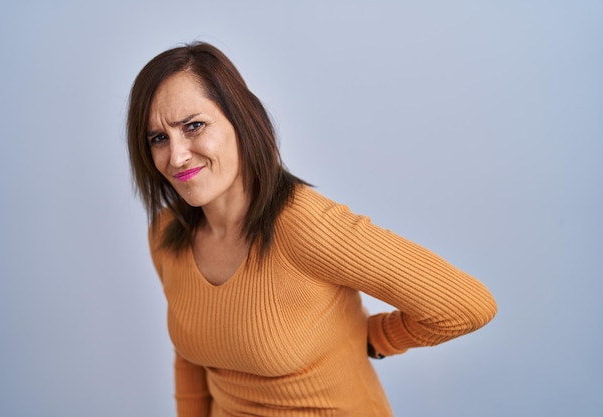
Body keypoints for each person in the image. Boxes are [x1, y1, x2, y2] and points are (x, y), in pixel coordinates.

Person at [126, 41, 497, 417]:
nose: (176, 156)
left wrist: (374, 338)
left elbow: (467, 306)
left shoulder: (306, 226)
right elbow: (192, 358)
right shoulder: (166, 233)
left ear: (241, 119)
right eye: (159, 138)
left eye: (193, 126)